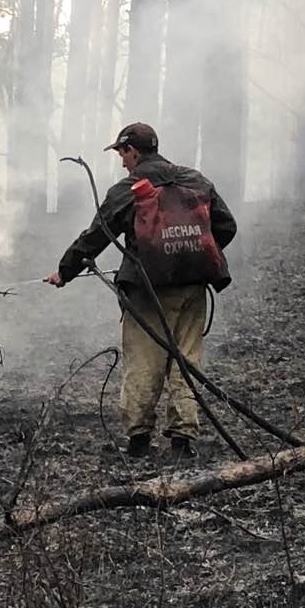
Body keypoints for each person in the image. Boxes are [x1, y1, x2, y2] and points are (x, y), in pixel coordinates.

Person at [45, 122, 237, 460]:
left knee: (144, 363)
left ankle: (138, 441)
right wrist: (191, 253)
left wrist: (65, 271)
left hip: (148, 291)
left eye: (122, 153)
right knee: (186, 361)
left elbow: (97, 235)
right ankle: (182, 442)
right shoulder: (195, 180)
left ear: (133, 150)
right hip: (194, 288)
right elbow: (226, 226)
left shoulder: (129, 188)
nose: (121, 161)